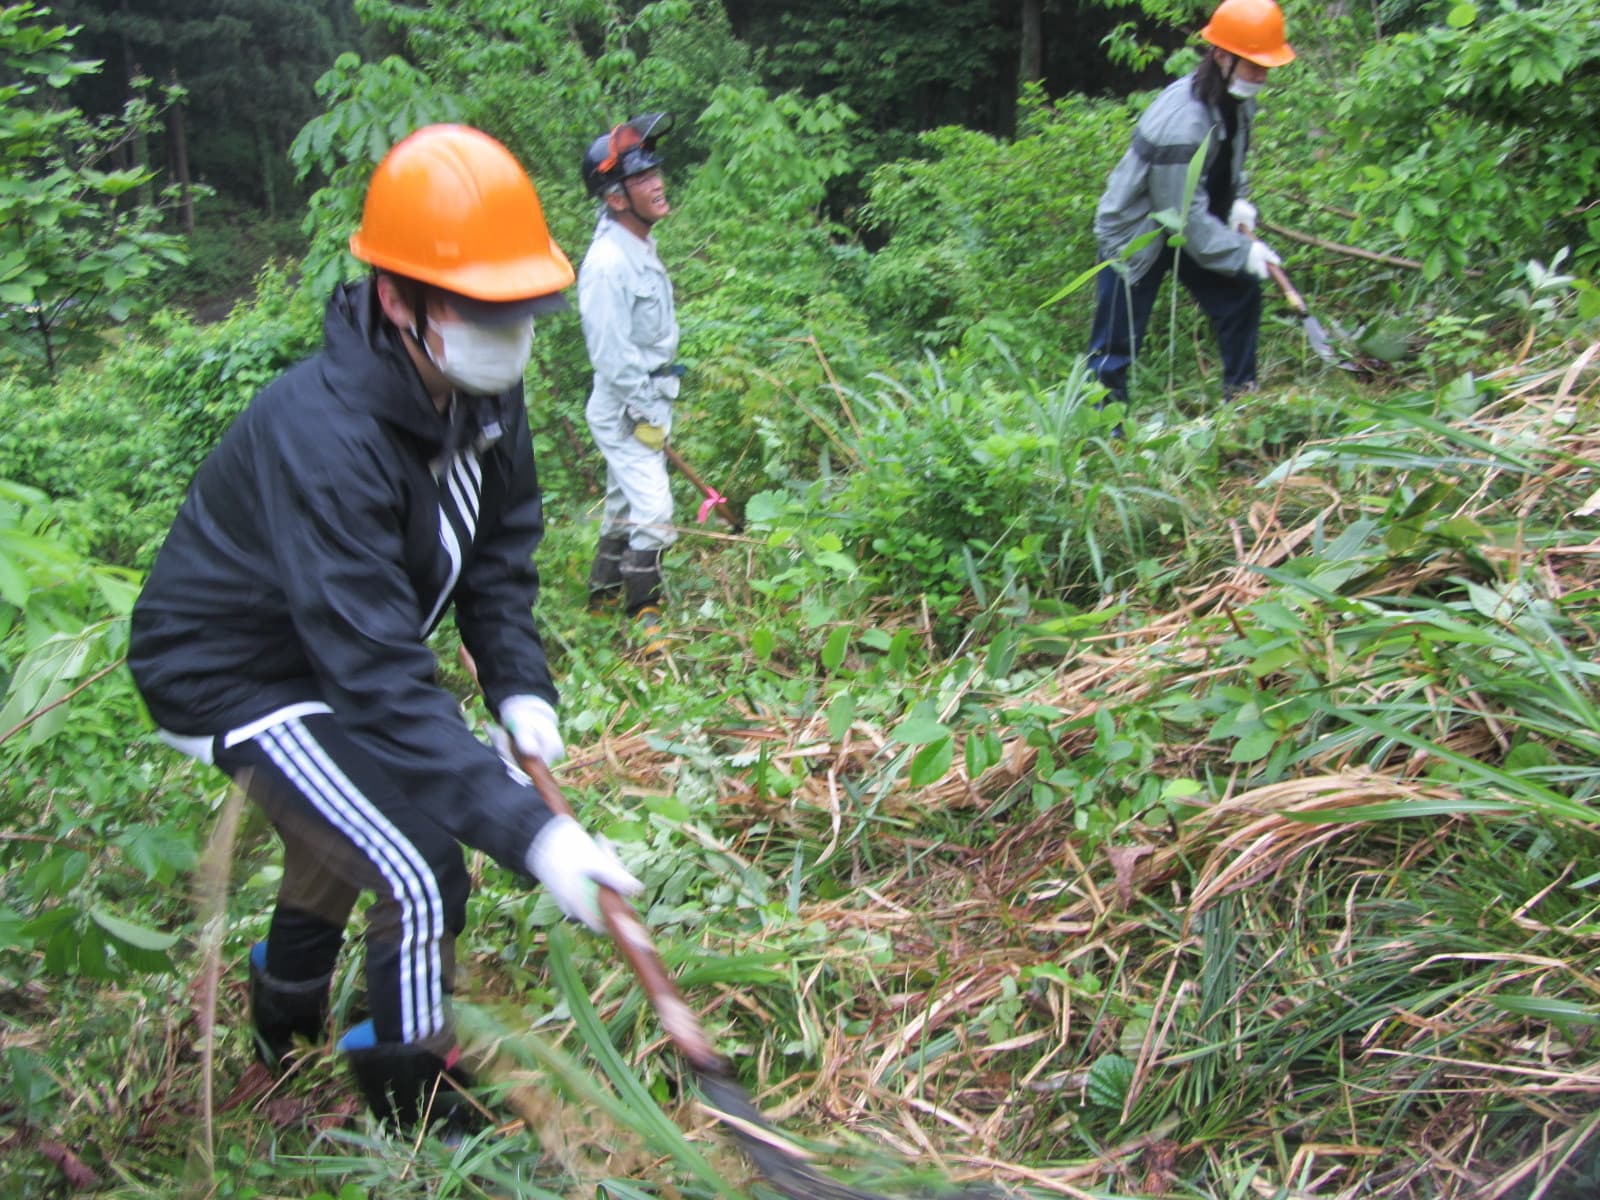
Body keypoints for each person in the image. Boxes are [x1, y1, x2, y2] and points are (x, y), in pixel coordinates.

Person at [126, 124, 643, 1131]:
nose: (509, 332)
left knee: (345, 828)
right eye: (478, 309)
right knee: (416, 862)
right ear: (397, 297)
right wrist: (534, 835)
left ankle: (281, 1025)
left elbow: (500, 552)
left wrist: (518, 685)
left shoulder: (485, 389)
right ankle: (414, 1103)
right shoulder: (324, 436)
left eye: (520, 309)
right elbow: (374, 676)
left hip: (330, 658)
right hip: (230, 672)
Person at [1085, 0, 1294, 408]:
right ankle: (1103, 433)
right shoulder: (1185, 120)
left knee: (1240, 295)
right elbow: (1183, 219)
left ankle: (1242, 403)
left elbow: (1229, 163)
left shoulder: (1237, 97)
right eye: (1253, 64)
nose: (1261, 75)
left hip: (1191, 221)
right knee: (1115, 345)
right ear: (1220, 55)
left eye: (1265, 65)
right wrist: (1243, 251)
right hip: (1140, 233)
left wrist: (1237, 204)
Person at [577, 112, 681, 655]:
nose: (657, 183)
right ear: (616, 198)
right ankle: (646, 614)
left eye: (655, 171)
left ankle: (600, 598)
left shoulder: (637, 245)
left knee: (623, 503)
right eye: (642, 179)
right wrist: (645, 418)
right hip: (626, 409)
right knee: (657, 514)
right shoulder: (606, 265)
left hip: (648, 402)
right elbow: (612, 358)